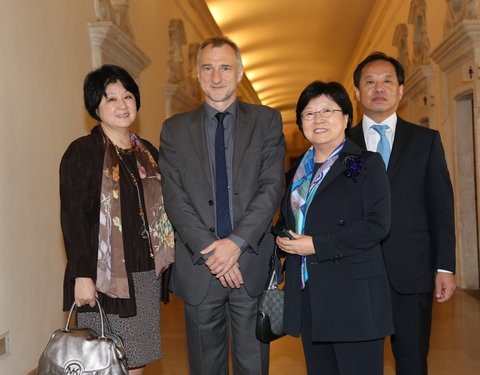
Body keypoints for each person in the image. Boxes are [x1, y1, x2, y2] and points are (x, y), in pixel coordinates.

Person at [158, 37, 285, 375]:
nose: (216, 76)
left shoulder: (267, 121)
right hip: (200, 268)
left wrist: (235, 244)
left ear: (240, 72)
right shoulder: (173, 130)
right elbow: (175, 198)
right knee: (205, 366)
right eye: (208, 68)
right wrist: (214, 251)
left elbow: (271, 188)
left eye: (225, 67)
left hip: (251, 265)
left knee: (252, 365)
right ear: (197, 74)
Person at [60, 64, 174, 375]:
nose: (122, 105)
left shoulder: (147, 152)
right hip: (102, 276)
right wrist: (81, 276)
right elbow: (74, 219)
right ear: (95, 106)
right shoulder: (83, 152)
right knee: (102, 363)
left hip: (144, 274)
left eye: (127, 96)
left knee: (136, 360)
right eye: (111, 98)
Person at [276, 80, 394, 375]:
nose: (318, 119)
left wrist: (317, 244)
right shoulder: (295, 173)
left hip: (353, 295)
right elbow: (287, 221)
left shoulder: (361, 164)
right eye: (309, 113)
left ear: (345, 118)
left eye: (327, 110)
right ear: (301, 123)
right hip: (309, 296)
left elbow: (376, 225)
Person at [350, 52, 456, 375]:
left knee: (412, 361)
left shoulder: (426, 141)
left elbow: (441, 207)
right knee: (357, 362)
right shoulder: (345, 145)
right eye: (370, 82)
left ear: (400, 90)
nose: (378, 88)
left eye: (387, 81)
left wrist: (445, 267)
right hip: (355, 273)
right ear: (357, 93)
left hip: (412, 273)